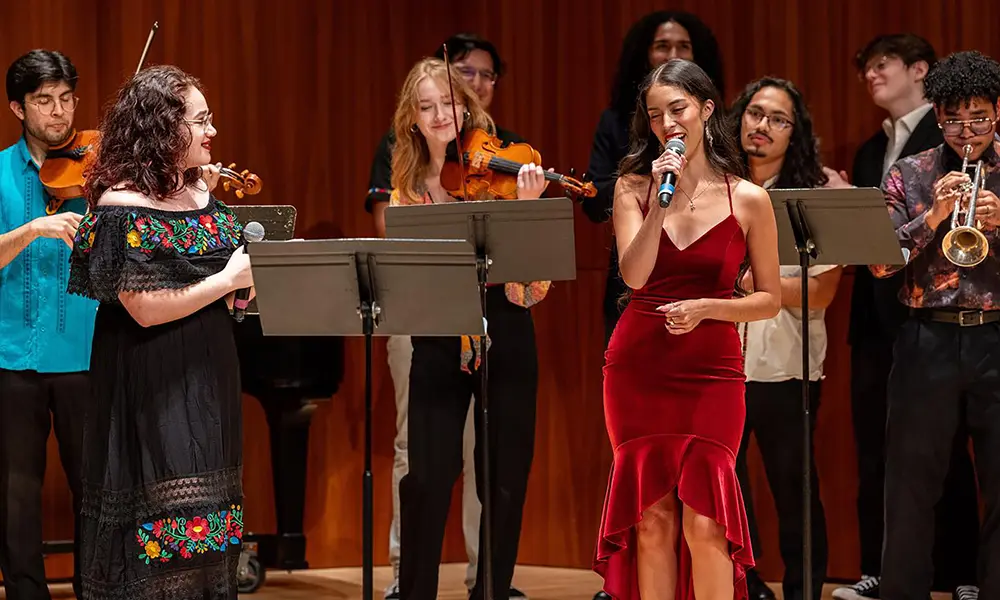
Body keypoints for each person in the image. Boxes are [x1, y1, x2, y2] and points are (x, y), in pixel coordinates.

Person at [593, 58, 781, 600]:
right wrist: (658, 202)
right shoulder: (633, 187)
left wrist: (708, 309)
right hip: (639, 364)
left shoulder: (748, 197)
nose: (667, 123)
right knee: (651, 518)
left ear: (705, 108)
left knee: (707, 522)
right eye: (655, 116)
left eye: (678, 109)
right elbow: (634, 274)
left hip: (712, 369)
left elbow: (768, 300)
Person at [67, 65, 250, 599]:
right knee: (159, 513)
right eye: (200, 121)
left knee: (209, 520)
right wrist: (227, 280)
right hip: (154, 377)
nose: (211, 131)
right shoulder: (120, 206)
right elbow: (145, 309)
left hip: (210, 373)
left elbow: (223, 278)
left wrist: (243, 286)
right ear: (162, 129)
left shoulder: (200, 195)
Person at [364, 33, 528, 600]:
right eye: (426, 106)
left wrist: (524, 215)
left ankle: (492, 590)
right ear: (411, 117)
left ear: (469, 106)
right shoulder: (406, 187)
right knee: (426, 476)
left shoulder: (506, 171)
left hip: (505, 330)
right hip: (437, 332)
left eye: (449, 104)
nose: (439, 116)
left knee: (502, 478)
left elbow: (531, 289)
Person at [829, 34, 980, 600]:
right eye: (865, 67)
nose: (871, 75)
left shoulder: (956, 142)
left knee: (968, 458)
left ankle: (967, 575)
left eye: (882, 64)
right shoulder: (879, 151)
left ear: (920, 70)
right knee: (890, 457)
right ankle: (890, 574)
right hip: (891, 320)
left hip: (966, 320)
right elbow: (879, 244)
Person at [869, 50, 1000, 600]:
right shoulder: (910, 172)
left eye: (978, 118)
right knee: (910, 485)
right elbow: (879, 261)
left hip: (997, 335)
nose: (965, 131)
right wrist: (934, 217)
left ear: (998, 111)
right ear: (936, 115)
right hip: (928, 337)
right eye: (952, 118)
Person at [729, 77, 841, 600]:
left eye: (778, 119)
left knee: (795, 487)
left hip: (785, 365)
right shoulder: (716, 186)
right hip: (721, 360)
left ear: (795, 133)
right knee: (725, 486)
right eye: (755, 113)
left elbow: (821, 292)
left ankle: (803, 592)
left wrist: (757, 284)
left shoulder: (816, 194)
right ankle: (745, 585)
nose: (763, 126)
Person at [0, 49, 96, 600]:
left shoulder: (98, 171)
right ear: (19, 108)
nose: (58, 114)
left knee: (93, 491)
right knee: (17, 495)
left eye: (66, 100)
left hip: (85, 351)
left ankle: (94, 591)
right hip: (14, 355)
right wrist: (33, 228)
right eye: (43, 101)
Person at [582, 10, 725, 347]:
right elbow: (594, 201)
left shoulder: (718, 125)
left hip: (705, 283)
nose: (673, 54)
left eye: (683, 46)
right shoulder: (616, 122)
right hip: (638, 279)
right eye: (662, 45)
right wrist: (643, 187)